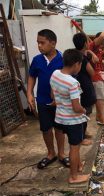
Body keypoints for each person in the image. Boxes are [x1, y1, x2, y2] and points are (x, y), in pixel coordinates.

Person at [27, 29, 69, 169]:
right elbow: (32, 76)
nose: (39, 46)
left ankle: (62, 154)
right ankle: (51, 154)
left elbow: (68, 80)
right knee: (46, 128)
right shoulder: (37, 60)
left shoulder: (63, 60)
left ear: (53, 43)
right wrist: (29, 94)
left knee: (59, 129)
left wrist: (61, 97)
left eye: (42, 43)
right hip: (42, 101)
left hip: (59, 102)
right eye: (38, 43)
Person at [50, 49, 90, 184]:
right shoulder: (73, 83)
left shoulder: (55, 74)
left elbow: (52, 96)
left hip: (60, 119)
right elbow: (76, 107)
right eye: (80, 65)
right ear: (77, 64)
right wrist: (84, 110)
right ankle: (74, 177)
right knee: (74, 148)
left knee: (74, 146)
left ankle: (78, 165)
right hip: (73, 121)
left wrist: (61, 103)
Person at [72, 33, 96, 145]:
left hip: (78, 88)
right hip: (85, 88)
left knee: (83, 112)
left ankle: (83, 133)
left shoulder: (73, 54)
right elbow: (91, 72)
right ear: (85, 43)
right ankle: (81, 137)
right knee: (84, 112)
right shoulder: (83, 58)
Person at [89, 27, 104, 126]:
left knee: (100, 98)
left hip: (99, 77)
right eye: (102, 41)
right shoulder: (93, 46)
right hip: (96, 77)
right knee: (100, 99)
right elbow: (102, 36)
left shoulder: (98, 49)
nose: (103, 43)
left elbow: (101, 58)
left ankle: (99, 116)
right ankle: (102, 119)